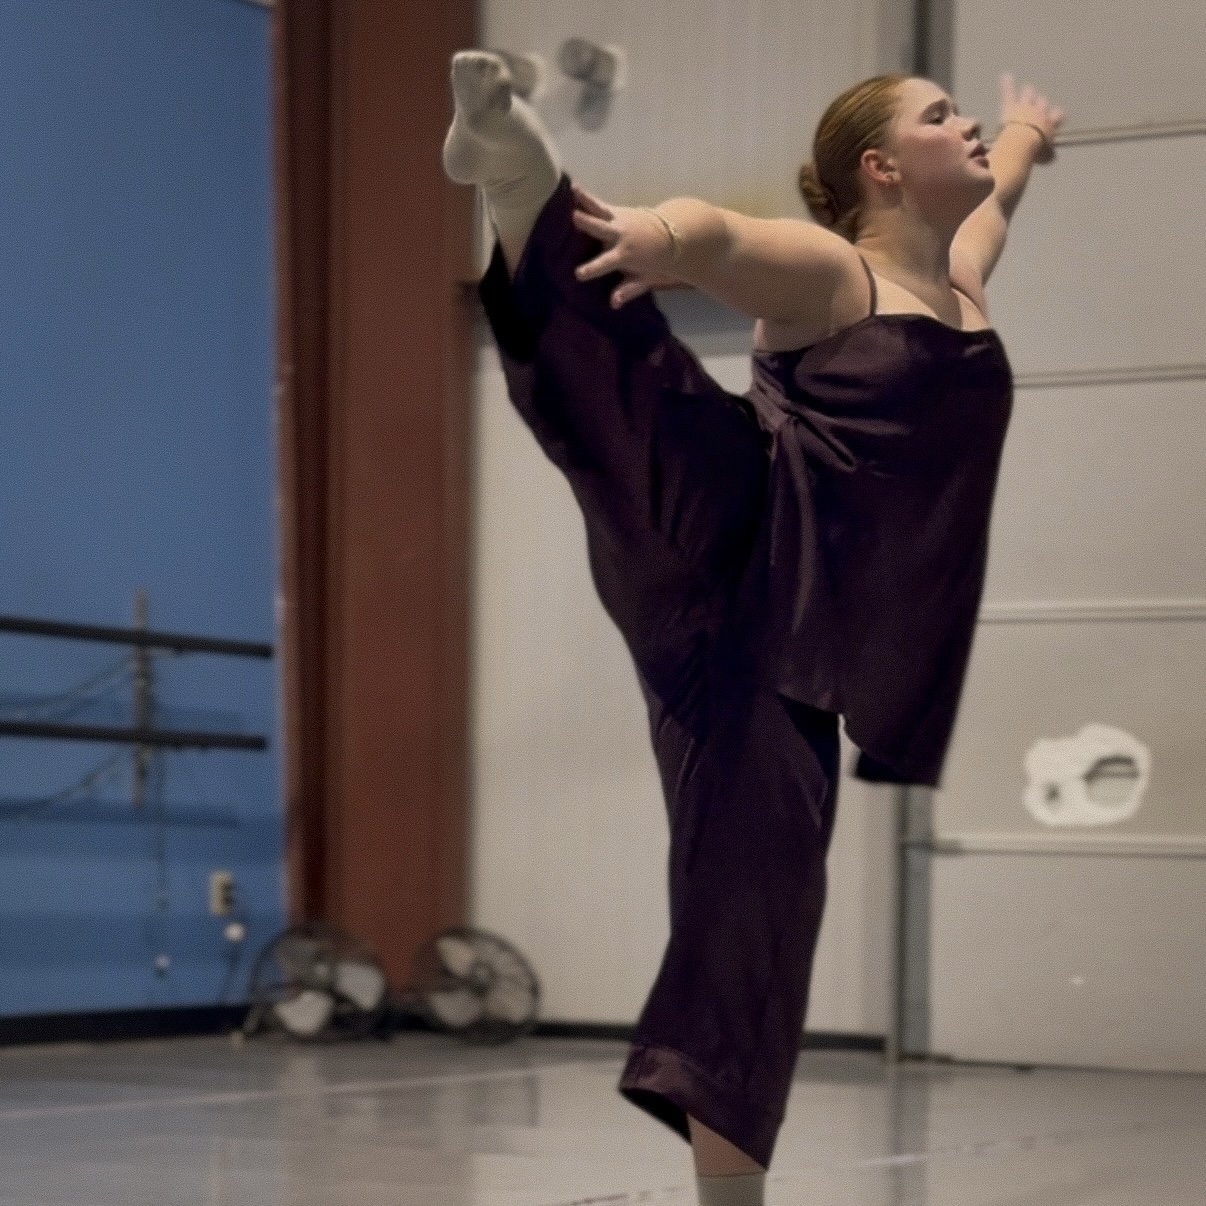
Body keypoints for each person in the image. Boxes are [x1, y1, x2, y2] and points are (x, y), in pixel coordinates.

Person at [443, 52, 1063, 1206]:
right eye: (945, 117)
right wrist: (656, 236)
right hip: (733, 568)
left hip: (803, 627)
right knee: (651, 409)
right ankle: (523, 181)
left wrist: (1028, 134)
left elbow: (1007, 183)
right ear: (881, 169)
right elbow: (721, 236)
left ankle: (521, 194)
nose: (968, 124)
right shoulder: (835, 270)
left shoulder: (965, 277)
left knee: (769, 897)